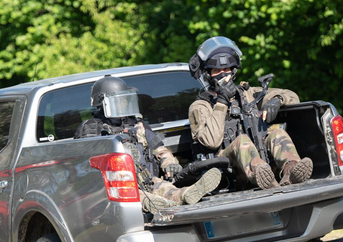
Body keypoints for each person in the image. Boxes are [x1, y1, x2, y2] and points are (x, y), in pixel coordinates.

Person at [75, 75, 221, 212]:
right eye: (119, 99)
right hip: (118, 186)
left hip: (147, 179)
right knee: (142, 197)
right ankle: (156, 204)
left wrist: (169, 163)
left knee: (168, 188)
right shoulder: (92, 129)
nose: (124, 103)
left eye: (125, 99)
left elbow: (160, 150)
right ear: (104, 103)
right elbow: (84, 164)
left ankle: (186, 194)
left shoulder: (137, 125)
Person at [187, 36, 313, 190]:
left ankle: (291, 169)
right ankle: (260, 175)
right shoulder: (200, 106)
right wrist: (222, 101)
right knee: (241, 141)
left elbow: (293, 96)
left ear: (233, 70)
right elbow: (212, 141)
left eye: (226, 69)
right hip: (227, 170)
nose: (223, 74)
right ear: (207, 74)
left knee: (277, 133)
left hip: (261, 159)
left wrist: (277, 100)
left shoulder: (246, 93)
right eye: (216, 70)